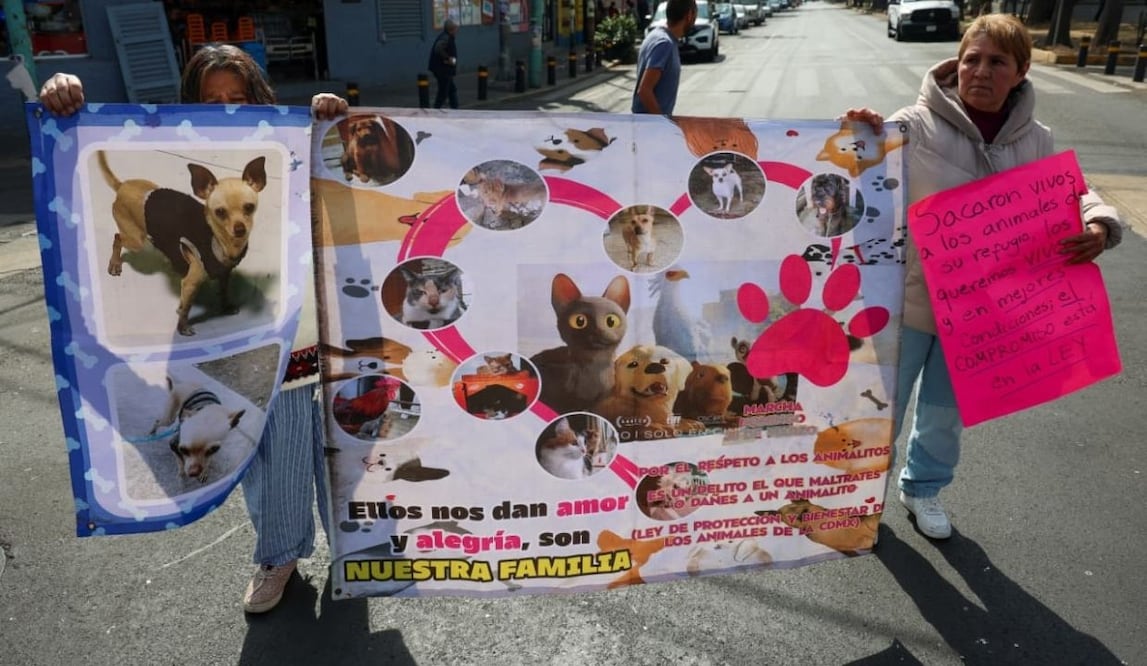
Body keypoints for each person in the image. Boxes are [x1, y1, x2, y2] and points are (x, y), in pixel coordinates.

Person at [38, 44, 348, 613]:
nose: (229, 109)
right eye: (213, 101)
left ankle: (356, 554)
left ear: (263, 100)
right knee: (268, 458)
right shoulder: (184, 170)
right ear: (194, 108)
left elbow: (350, 173)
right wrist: (63, 96)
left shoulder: (293, 149)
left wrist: (330, 118)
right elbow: (91, 157)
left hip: (315, 336)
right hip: (248, 348)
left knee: (340, 453)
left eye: (240, 98)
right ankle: (278, 556)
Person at [844, 14, 1123, 540]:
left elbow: (1074, 192)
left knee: (944, 416)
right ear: (957, 61)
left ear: (1020, 71)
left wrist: (1101, 223)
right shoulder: (915, 123)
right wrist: (861, 138)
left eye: (998, 61)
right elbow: (862, 179)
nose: (981, 71)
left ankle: (922, 489)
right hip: (906, 304)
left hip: (980, 318)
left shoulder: (1036, 140)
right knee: (882, 410)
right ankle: (862, 501)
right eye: (973, 58)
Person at [632, 0, 696, 115]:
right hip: (650, 128)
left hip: (646, 125)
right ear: (689, 15)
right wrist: (663, 123)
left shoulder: (656, 36)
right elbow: (644, 90)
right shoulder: (664, 43)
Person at [428, 18, 460, 110]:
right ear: (452, 29)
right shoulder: (445, 37)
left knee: (451, 90)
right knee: (443, 91)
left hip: (445, 69)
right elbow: (438, 49)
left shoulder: (448, 37)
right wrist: (448, 58)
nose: (457, 30)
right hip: (442, 69)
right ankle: (436, 109)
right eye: (456, 28)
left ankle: (455, 109)